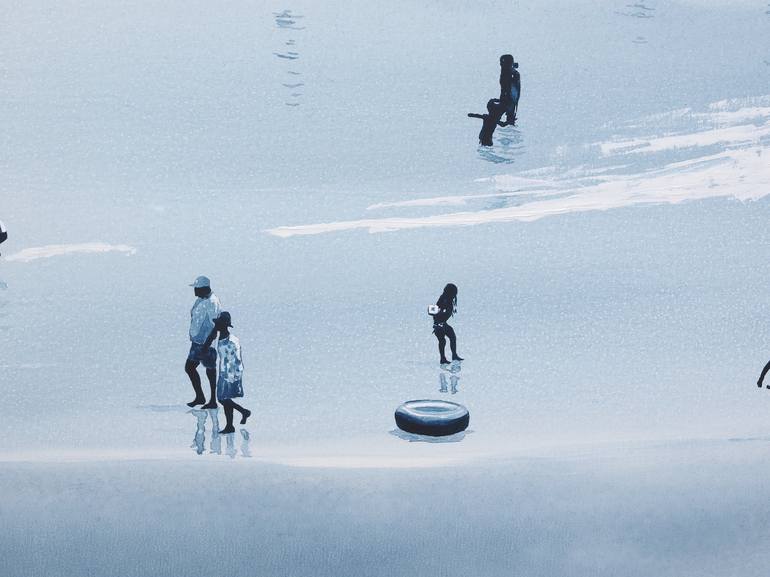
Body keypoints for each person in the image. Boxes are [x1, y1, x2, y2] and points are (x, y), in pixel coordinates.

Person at [186, 275, 221, 409]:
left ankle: (212, 400)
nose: (194, 291)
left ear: (204, 288)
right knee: (190, 368)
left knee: (210, 370)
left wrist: (207, 344)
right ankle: (200, 397)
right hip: (197, 342)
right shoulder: (200, 300)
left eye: (197, 288)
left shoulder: (212, 302)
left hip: (206, 342)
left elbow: (215, 325)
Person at [213, 311, 251, 434]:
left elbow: (235, 361)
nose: (216, 325)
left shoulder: (231, 342)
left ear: (223, 325)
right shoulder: (223, 337)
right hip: (225, 372)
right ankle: (230, 425)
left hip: (229, 374)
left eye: (218, 323)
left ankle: (243, 411)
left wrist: (230, 377)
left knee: (222, 399)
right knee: (225, 400)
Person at [430, 283, 463, 365]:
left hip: (442, 323)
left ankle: (452, 356)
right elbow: (437, 310)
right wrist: (438, 320)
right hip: (439, 324)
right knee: (443, 340)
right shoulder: (445, 299)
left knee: (451, 337)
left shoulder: (448, 298)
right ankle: (443, 358)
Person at [499, 54, 520, 125]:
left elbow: (512, 88)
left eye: (502, 62)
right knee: (509, 117)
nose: (500, 64)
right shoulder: (508, 72)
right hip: (507, 97)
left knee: (509, 117)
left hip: (508, 97)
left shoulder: (509, 73)